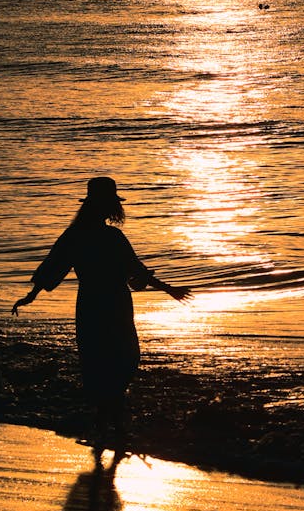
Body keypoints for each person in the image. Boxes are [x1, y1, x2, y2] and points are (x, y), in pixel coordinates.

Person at [11, 176, 191, 449]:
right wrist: (168, 289)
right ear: (107, 206)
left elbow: (53, 267)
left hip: (90, 304)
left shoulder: (75, 236)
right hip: (115, 303)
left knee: (98, 362)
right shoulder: (111, 236)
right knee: (124, 360)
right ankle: (113, 425)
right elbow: (136, 272)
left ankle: (105, 422)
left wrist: (31, 295)